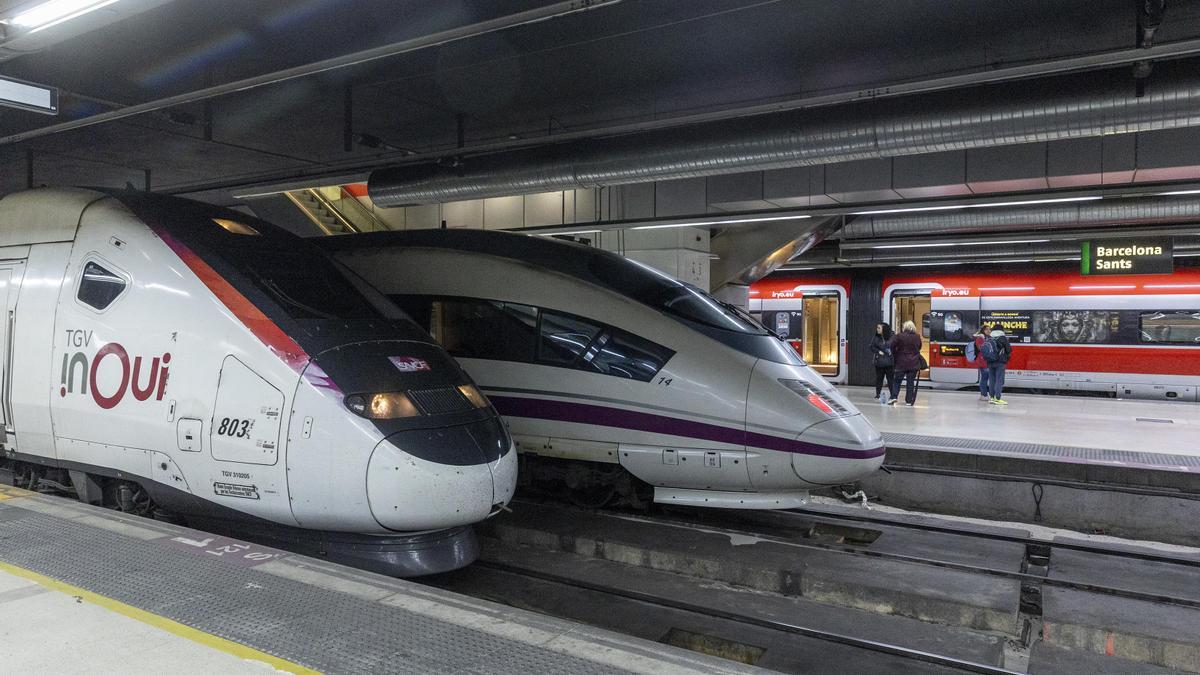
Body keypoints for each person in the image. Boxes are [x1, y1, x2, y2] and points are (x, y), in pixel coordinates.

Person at [888, 320, 923, 406]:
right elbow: (919, 347)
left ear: (905, 327)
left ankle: (894, 397)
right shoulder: (917, 337)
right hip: (913, 363)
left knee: (897, 381)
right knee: (910, 382)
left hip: (901, 362)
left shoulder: (899, 336)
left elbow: (891, 345)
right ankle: (908, 401)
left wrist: (894, 353)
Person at [983, 326, 1014, 405]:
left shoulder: (989, 337)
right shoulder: (1002, 338)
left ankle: (992, 398)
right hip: (1000, 362)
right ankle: (998, 398)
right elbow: (1009, 349)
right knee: (999, 380)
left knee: (992, 380)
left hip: (990, 361)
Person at [870, 323, 895, 403]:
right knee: (879, 379)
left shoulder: (892, 337)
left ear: (884, 329)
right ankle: (878, 394)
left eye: (879, 328)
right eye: (877, 328)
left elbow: (895, 347)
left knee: (890, 379)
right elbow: (871, 347)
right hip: (879, 362)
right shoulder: (876, 337)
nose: (877, 329)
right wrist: (878, 351)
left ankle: (893, 395)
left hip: (889, 362)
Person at [965, 325, 991, 401]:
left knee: (985, 378)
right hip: (983, 361)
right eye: (987, 329)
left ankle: (985, 394)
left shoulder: (986, 338)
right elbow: (982, 349)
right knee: (984, 378)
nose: (989, 331)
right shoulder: (980, 338)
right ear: (983, 330)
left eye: (990, 329)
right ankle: (984, 395)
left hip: (986, 361)